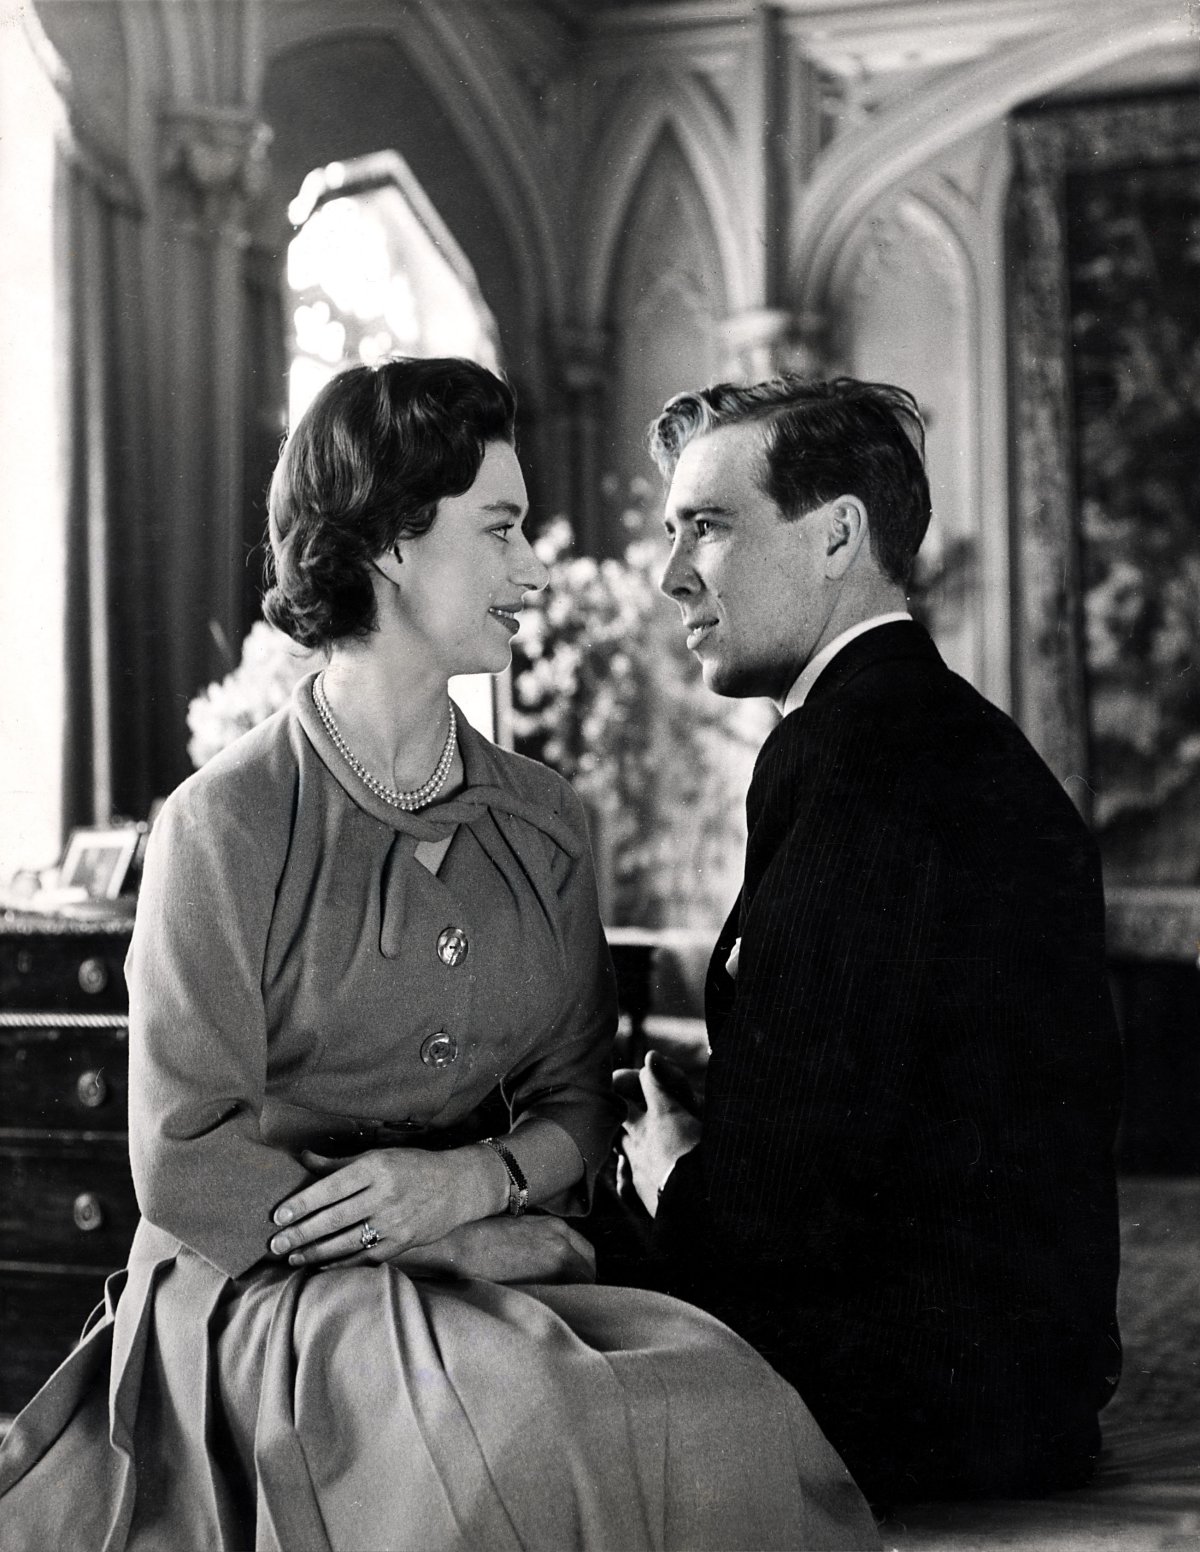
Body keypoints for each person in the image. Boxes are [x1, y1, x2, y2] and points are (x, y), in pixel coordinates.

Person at [0, 358, 879, 1552]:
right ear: (392, 543)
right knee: (519, 1429)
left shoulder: (547, 820)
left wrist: (478, 1184)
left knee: (731, 1403)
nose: (533, 568)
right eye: (503, 528)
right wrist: (431, 1233)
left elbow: (578, 1101)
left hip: (490, 1260)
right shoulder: (225, 821)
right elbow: (185, 1163)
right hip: (263, 1279)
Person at [617, 374, 1123, 1509]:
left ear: (838, 531)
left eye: (709, 525)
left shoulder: (862, 763)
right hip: (1010, 1381)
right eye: (672, 531)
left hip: (926, 1412)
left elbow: (778, 1214)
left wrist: (671, 1175)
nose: (672, 574)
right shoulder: (938, 734)